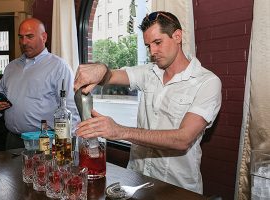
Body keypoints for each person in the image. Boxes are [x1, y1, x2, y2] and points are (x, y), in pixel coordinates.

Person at [74, 11, 222, 194]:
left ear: (177, 36)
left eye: (158, 42)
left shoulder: (207, 82)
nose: (152, 52)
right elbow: (111, 75)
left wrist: (120, 131)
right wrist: (101, 68)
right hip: (136, 181)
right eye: (148, 45)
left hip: (178, 189)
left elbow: (183, 139)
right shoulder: (149, 73)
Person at [0, 18, 80, 150]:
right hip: (13, 140)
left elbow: (71, 109)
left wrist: (65, 149)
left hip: (43, 142)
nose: (24, 42)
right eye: (21, 37)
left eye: (29, 36)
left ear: (44, 37)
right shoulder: (11, 66)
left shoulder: (59, 67)